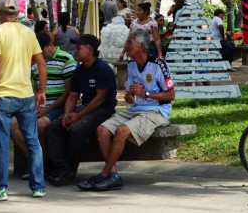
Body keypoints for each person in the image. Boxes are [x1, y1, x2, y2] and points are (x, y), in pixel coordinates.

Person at [77, 28, 175, 191]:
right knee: (102, 129)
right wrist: (130, 97)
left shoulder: (159, 65)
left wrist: (147, 93)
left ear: (142, 46)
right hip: (136, 109)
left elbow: (171, 95)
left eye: (129, 43)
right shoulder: (131, 66)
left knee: (122, 130)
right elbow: (130, 96)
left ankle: (103, 175)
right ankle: (113, 176)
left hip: (156, 112)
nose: (126, 47)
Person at [0, 0, 48, 201]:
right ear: (16, 14)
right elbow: (41, 63)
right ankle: (38, 186)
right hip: (26, 95)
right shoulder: (28, 32)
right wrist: (41, 91)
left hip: (3, 95)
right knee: (32, 141)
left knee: (0, 142)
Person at [47, 34, 117, 187]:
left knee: (77, 129)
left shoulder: (103, 69)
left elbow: (100, 99)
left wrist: (78, 116)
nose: (75, 51)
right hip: (86, 107)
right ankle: (61, 168)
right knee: (54, 127)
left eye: (79, 48)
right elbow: (72, 96)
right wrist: (66, 115)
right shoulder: (79, 70)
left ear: (90, 50)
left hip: (103, 108)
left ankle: (71, 171)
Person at [10, 32, 76, 177]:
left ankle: (46, 164)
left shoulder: (67, 60)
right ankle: (37, 162)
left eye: (41, 50)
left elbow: (69, 91)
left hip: (59, 107)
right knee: (13, 124)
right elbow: (34, 88)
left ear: (51, 45)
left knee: (40, 124)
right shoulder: (37, 64)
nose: (39, 53)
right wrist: (36, 105)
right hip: (41, 107)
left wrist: (47, 110)